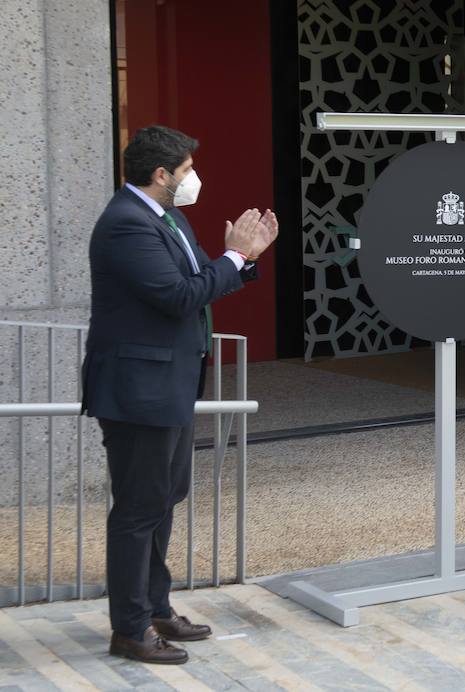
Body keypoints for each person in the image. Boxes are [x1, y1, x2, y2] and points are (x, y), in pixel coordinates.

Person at [82, 126, 278, 665]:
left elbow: (196, 282)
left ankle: (154, 608)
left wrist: (242, 258)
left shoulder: (167, 216)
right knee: (138, 509)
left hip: (168, 386)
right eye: (187, 170)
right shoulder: (126, 224)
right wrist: (235, 258)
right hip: (138, 391)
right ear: (161, 174)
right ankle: (130, 629)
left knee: (164, 501)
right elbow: (176, 296)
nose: (195, 178)